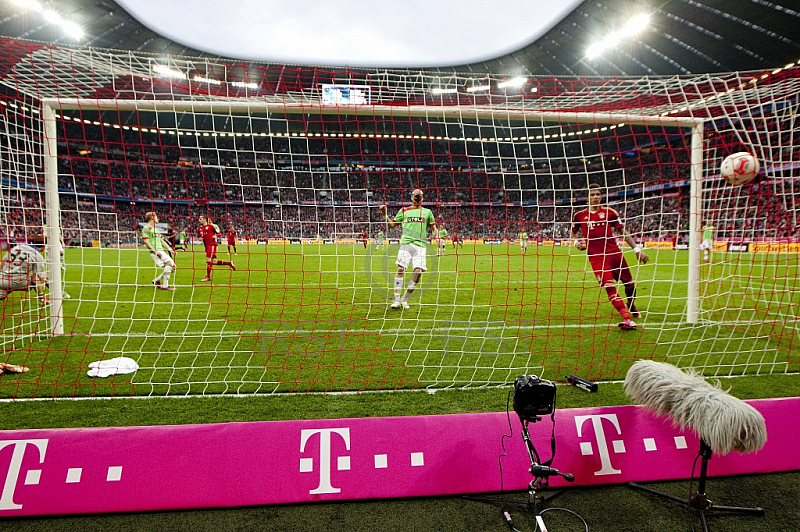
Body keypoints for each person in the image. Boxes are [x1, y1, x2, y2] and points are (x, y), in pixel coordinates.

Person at [570, 184, 649, 330]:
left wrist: (637, 249)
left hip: (615, 254)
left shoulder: (610, 213)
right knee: (609, 286)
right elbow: (573, 233)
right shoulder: (579, 216)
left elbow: (622, 232)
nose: (595, 197)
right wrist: (576, 242)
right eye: (592, 195)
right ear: (587, 197)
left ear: (601, 196)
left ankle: (631, 305)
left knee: (629, 284)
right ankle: (627, 318)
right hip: (597, 257)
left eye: (597, 195)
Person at [379, 189, 438, 310]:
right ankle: (396, 300)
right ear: (411, 197)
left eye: (420, 195)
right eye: (415, 195)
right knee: (400, 269)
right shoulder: (404, 210)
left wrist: (436, 236)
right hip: (406, 243)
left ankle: (404, 298)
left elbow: (434, 228)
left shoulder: (427, 212)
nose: (417, 197)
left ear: (422, 198)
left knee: (418, 272)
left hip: (421, 245)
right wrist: (384, 215)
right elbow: (392, 225)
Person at [0, 239, 48, 305]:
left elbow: (2, 261)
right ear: (44, 247)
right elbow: (35, 280)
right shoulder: (38, 257)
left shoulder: (18, 247)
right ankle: (55, 293)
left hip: (1, 280)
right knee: (44, 275)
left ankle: (3, 292)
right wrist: (41, 296)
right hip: (18, 282)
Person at [142, 212, 176, 290]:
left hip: (161, 250)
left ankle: (157, 280)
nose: (158, 219)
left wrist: (170, 249)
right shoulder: (146, 228)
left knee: (172, 267)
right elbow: (146, 242)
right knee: (170, 264)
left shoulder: (156, 229)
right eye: (156, 217)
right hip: (156, 251)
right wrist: (154, 251)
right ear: (152, 218)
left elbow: (161, 240)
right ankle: (165, 286)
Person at [198, 215, 235, 282]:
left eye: (200, 219)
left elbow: (219, 234)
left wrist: (216, 236)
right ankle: (229, 263)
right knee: (214, 262)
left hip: (212, 245)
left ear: (204, 219)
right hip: (206, 246)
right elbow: (199, 237)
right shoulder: (200, 229)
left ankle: (208, 276)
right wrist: (200, 239)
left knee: (208, 259)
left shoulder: (211, 226)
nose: (199, 220)